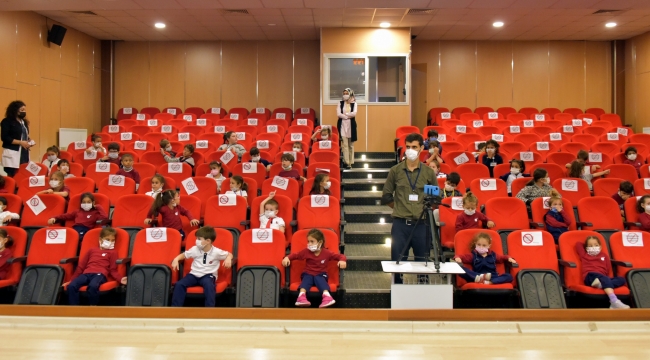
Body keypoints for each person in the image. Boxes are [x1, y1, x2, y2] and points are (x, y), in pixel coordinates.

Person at [381, 133, 436, 284]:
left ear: (421, 148)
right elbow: (386, 196)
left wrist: (424, 208)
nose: (410, 150)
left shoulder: (428, 173)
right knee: (397, 264)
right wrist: (399, 207)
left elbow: (435, 199)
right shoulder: (395, 171)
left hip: (422, 225)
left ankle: (423, 298)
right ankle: (398, 295)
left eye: (414, 147)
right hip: (400, 224)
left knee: (423, 264)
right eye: (408, 147)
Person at [170, 226, 233, 307]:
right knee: (179, 284)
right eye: (196, 238)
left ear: (208, 241)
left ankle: (209, 311)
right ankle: (175, 309)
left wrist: (228, 258)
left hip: (208, 275)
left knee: (209, 286)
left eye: (199, 239)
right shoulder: (194, 249)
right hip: (194, 275)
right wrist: (176, 259)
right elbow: (184, 255)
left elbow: (229, 254)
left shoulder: (216, 252)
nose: (196, 241)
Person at [282, 228, 346, 308]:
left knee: (319, 278)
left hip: (321, 274)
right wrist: (287, 258)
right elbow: (295, 255)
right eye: (308, 241)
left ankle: (327, 297)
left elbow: (340, 256)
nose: (309, 244)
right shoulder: (306, 251)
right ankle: (301, 297)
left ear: (320, 242)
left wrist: (342, 260)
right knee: (307, 278)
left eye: (312, 241)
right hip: (308, 273)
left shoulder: (327, 253)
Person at [63, 227, 127, 306]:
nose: (110, 242)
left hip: (100, 274)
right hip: (86, 273)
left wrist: (120, 279)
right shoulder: (92, 250)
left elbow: (113, 270)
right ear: (100, 239)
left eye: (113, 240)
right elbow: (81, 267)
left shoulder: (113, 252)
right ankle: (74, 309)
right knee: (72, 286)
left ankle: (93, 308)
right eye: (107, 239)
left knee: (93, 286)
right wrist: (71, 280)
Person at [575, 235, 629, 309]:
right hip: (590, 276)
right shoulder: (584, 255)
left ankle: (600, 285)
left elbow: (607, 268)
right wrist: (589, 240)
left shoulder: (604, 255)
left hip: (602, 277)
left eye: (596, 245)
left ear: (600, 247)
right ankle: (614, 301)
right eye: (590, 246)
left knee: (622, 279)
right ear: (586, 248)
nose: (593, 247)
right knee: (604, 278)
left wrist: (605, 280)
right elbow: (578, 244)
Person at [1, 100, 33, 177]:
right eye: (22, 110)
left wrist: (29, 141)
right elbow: (5, 137)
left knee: (23, 174)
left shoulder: (24, 122)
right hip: (12, 152)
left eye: (25, 110)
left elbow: (23, 135)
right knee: (13, 175)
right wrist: (20, 142)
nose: (24, 112)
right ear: (15, 110)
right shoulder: (7, 121)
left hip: (24, 152)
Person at [337, 88, 357, 169]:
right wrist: (347, 116)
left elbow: (354, 113)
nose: (345, 94)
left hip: (351, 125)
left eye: (346, 93)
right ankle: (346, 162)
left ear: (350, 93)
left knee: (351, 145)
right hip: (342, 125)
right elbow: (338, 114)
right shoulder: (340, 103)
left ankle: (351, 162)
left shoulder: (354, 103)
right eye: (344, 93)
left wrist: (345, 115)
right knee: (345, 145)